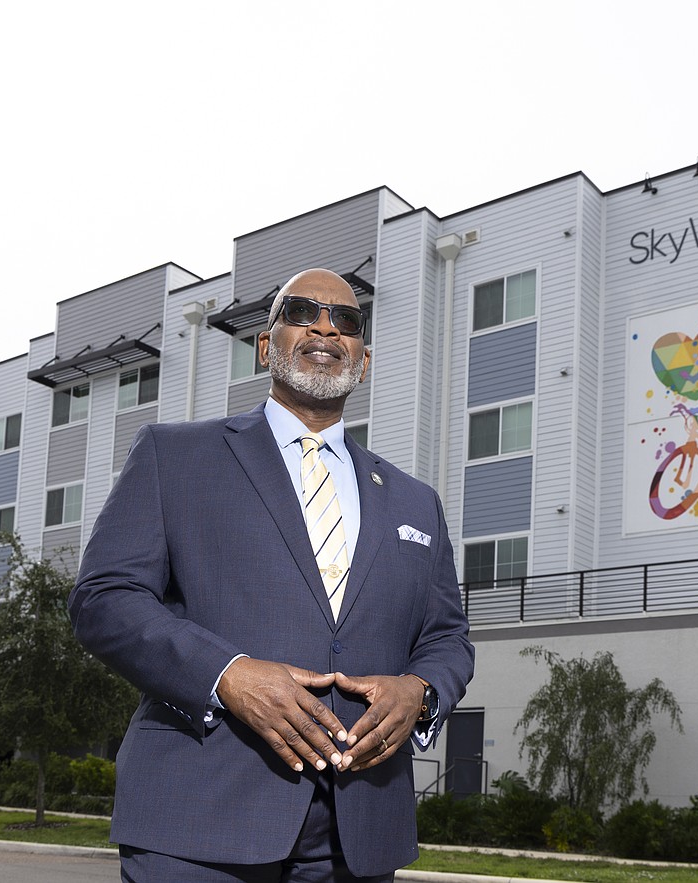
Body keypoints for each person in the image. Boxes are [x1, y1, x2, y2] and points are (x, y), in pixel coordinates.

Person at [69, 268, 475, 882]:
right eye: (302, 312)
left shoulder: (415, 501)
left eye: (347, 321)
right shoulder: (173, 457)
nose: (325, 327)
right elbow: (104, 599)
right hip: (198, 825)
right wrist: (226, 675)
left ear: (363, 360)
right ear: (265, 346)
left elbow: (447, 636)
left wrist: (419, 690)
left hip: (358, 832)